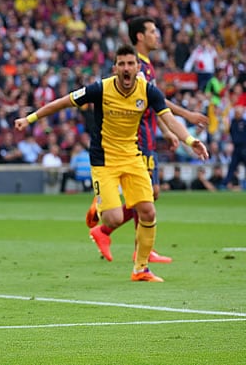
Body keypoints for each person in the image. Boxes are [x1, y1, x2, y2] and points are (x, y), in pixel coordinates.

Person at [15, 44, 208, 282]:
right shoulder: (100, 89)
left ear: (138, 67)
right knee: (114, 219)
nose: (127, 68)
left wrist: (190, 140)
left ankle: (140, 269)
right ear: (115, 67)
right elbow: (62, 102)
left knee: (148, 211)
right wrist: (30, 118)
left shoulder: (148, 91)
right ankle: (99, 204)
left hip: (132, 157)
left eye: (131, 64)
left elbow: (168, 119)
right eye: (122, 64)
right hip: (104, 160)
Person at [85, 16, 208, 263]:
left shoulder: (147, 65)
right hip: (137, 137)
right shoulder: (134, 65)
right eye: (153, 31)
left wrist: (167, 131)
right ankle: (111, 227)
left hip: (149, 133)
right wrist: (186, 115)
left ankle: (135, 243)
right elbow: (155, 100)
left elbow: (154, 102)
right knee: (148, 194)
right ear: (140, 36)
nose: (158, 35)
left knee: (151, 194)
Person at [223, 105, 246, 189]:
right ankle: (225, 184)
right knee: (232, 167)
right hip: (236, 148)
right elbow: (230, 133)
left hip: (244, 148)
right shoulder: (233, 122)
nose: (237, 114)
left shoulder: (244, 122)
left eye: (238, 112)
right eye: (236, 112)